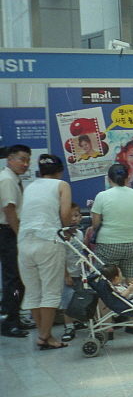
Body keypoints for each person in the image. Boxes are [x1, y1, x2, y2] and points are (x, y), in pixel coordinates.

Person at [17, 154, 72, 350]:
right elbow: (65, 215)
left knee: (33, 292)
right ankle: (44, 337)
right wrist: (68, 232)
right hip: (48, 240)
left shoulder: (30, 186)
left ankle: (46, 337)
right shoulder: (61, 185)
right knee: (50, 291)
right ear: (60, 171)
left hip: (24, 242)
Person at [91, 164, 133, 298]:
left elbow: (95, 225)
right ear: (128, 178)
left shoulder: (102, 196)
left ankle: (107, 319)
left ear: (109, 179)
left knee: (105, 283)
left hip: (108, 245)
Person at [1, 144, 34, 338]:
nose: (25, 163)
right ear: (9, 159)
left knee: (17, 279)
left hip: (9, 231)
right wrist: (19, 235)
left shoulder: (12, 178)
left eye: (28, 159)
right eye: (21, 159)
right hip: (7, 231)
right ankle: (9, 322)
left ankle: (14, 317)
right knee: (13, 279)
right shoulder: (6, 179)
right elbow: (9, 210)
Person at [59, 203, 84, 342]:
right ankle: (68, 327)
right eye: (70, 216)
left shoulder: (80, 233)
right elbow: (61, 257)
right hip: (68, 275)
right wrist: (66, 275)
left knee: (78, 299)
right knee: (67, 301)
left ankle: (76, 321)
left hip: (79, 273)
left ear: (80, 217)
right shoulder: (63, 235)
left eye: (76, 216)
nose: (73, 219)